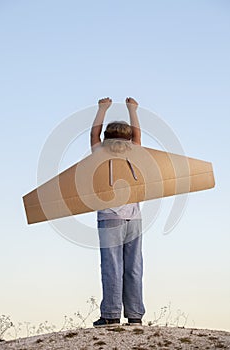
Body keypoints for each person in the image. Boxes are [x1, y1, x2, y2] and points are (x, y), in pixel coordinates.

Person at [90, 97, 145, 327]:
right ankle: (135, 317)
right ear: (128, 138)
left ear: (106, 138)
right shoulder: (134, 153)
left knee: (112, 265)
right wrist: (133, 110)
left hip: (109, 217)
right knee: (134, 266)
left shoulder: (100, 154)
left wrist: (102, 109)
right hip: (134, 218)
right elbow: (138, 135)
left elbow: (94, 136)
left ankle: (111, 315)